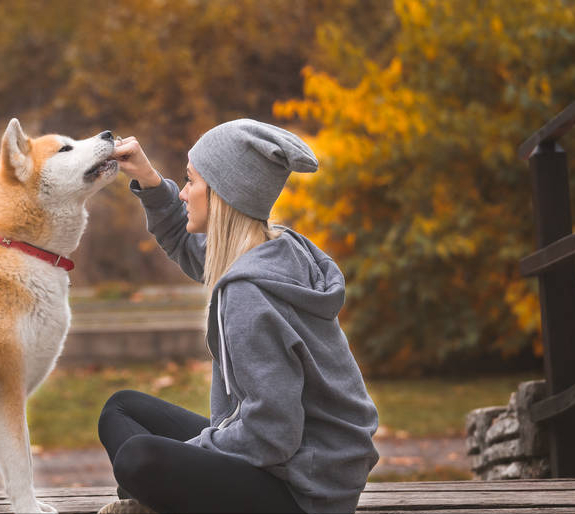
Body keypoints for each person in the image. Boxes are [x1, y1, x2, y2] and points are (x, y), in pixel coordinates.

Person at [96, 119, 379, 514]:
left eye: (191, 182)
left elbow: (272, 435)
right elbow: (185, 241)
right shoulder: (275, 248)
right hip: (294, 463)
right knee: (122, 408)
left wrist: (185, 459)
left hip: (305, 493)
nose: (183, 194)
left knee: (138, 459)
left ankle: (159, 501)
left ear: (222, 196)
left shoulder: (249, 294)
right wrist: (147, 177)